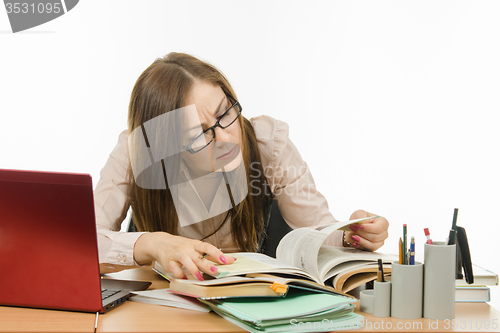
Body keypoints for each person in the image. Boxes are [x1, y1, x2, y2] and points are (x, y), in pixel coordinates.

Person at [94, 52, 389, 280]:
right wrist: (153, 244)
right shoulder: (136, 154)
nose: (225, 138)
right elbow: (83, 244)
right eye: (198, 135)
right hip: (164, 313)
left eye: (225, 113)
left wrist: (355, 233)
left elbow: (319, 231)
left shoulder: (267, 143)